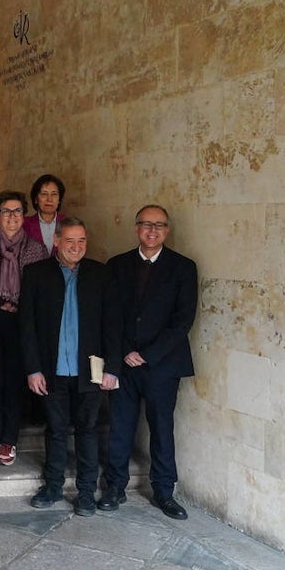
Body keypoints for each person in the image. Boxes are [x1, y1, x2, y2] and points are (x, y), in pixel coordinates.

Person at [100, 205, 198, 520]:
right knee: (120, 427)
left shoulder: (183, 267)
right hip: (124, 365)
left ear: (167, 230)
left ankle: (164, 491)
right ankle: (115, 486)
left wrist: (149, 354)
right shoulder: (116, 265)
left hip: (163, 365)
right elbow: (110, 315)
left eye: (158, 225)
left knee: (162, 427)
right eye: (145, 224)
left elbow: (183, 320)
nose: (152, 230)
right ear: (136, 228)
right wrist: (125, 351)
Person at [20, 217, 120, 516]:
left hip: (90, 370)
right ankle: (52, 487)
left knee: (88, 430)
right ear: (57, 242)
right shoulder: (36, 273)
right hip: (51, 370)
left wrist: (113, 369)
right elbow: (27, 326)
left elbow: (113, 327)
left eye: (82, 241)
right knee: (56, 430)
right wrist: (33, 368)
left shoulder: (101, 274)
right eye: (70, 241)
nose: (76, 247)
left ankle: (87, 492)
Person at [0, 192, 47, 467]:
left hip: (22, 324)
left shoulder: (36, 250)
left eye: (18, 211)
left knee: (15, 384)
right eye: (6, 211)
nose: (12, 217)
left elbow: (40, 292)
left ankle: (9, 439)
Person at [24, 174, 66, 256]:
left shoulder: (67, 224)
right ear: (36, 199)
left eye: (54, 194)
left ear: (59, 200)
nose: (49, 199)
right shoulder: (24, 224)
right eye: (44, 194)